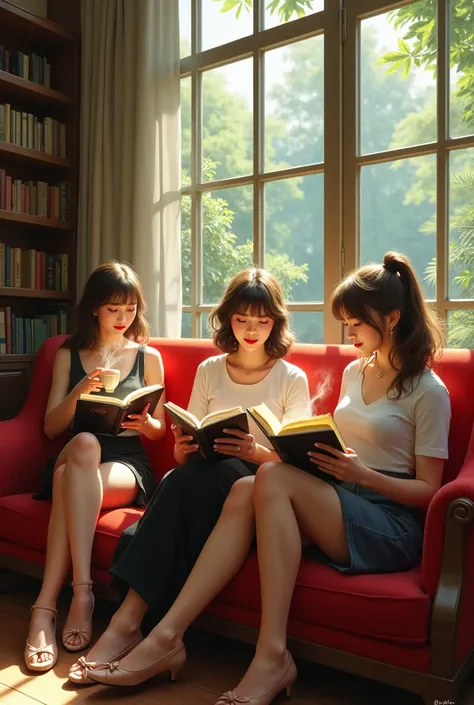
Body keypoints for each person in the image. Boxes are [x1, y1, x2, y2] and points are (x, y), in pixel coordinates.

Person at [83, 252, 450, 705]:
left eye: (356, 323)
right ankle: (167, 637)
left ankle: (270, 654)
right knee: (243, 486)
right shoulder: (358, 371)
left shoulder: (429, 391)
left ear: (391, 319)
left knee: (268, 476)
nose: (348, 333)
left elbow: (432, 491)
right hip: (338, 497)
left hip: (387, 522)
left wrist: (362, 473)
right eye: (347, 323)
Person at [69, 266, 311, 685]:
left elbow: (299, 461)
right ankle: (131, 629)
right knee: (189, 474)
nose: (252, 330)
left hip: (262, 489)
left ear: (276, 322)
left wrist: (255, 451)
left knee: (190, 484)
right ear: (227, 318)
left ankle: (126, 625)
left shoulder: (291, 376)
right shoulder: (211, 369)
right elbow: (194, 434)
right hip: (205, 480)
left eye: (262, 320)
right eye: (241, 319)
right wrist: (183, 447)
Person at [25, 261, 166, 674]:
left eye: (130, 309)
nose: (123, 319)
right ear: (93, 310)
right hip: (78, 451)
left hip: (127, 463)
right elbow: (52, 427)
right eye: (112, 310)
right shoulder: (68, 354)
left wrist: (148, 423)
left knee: (70, 477)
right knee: (83, 446)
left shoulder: (148, 357)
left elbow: (158, 433)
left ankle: (44, 606)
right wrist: (80, 391)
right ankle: (83, 591)